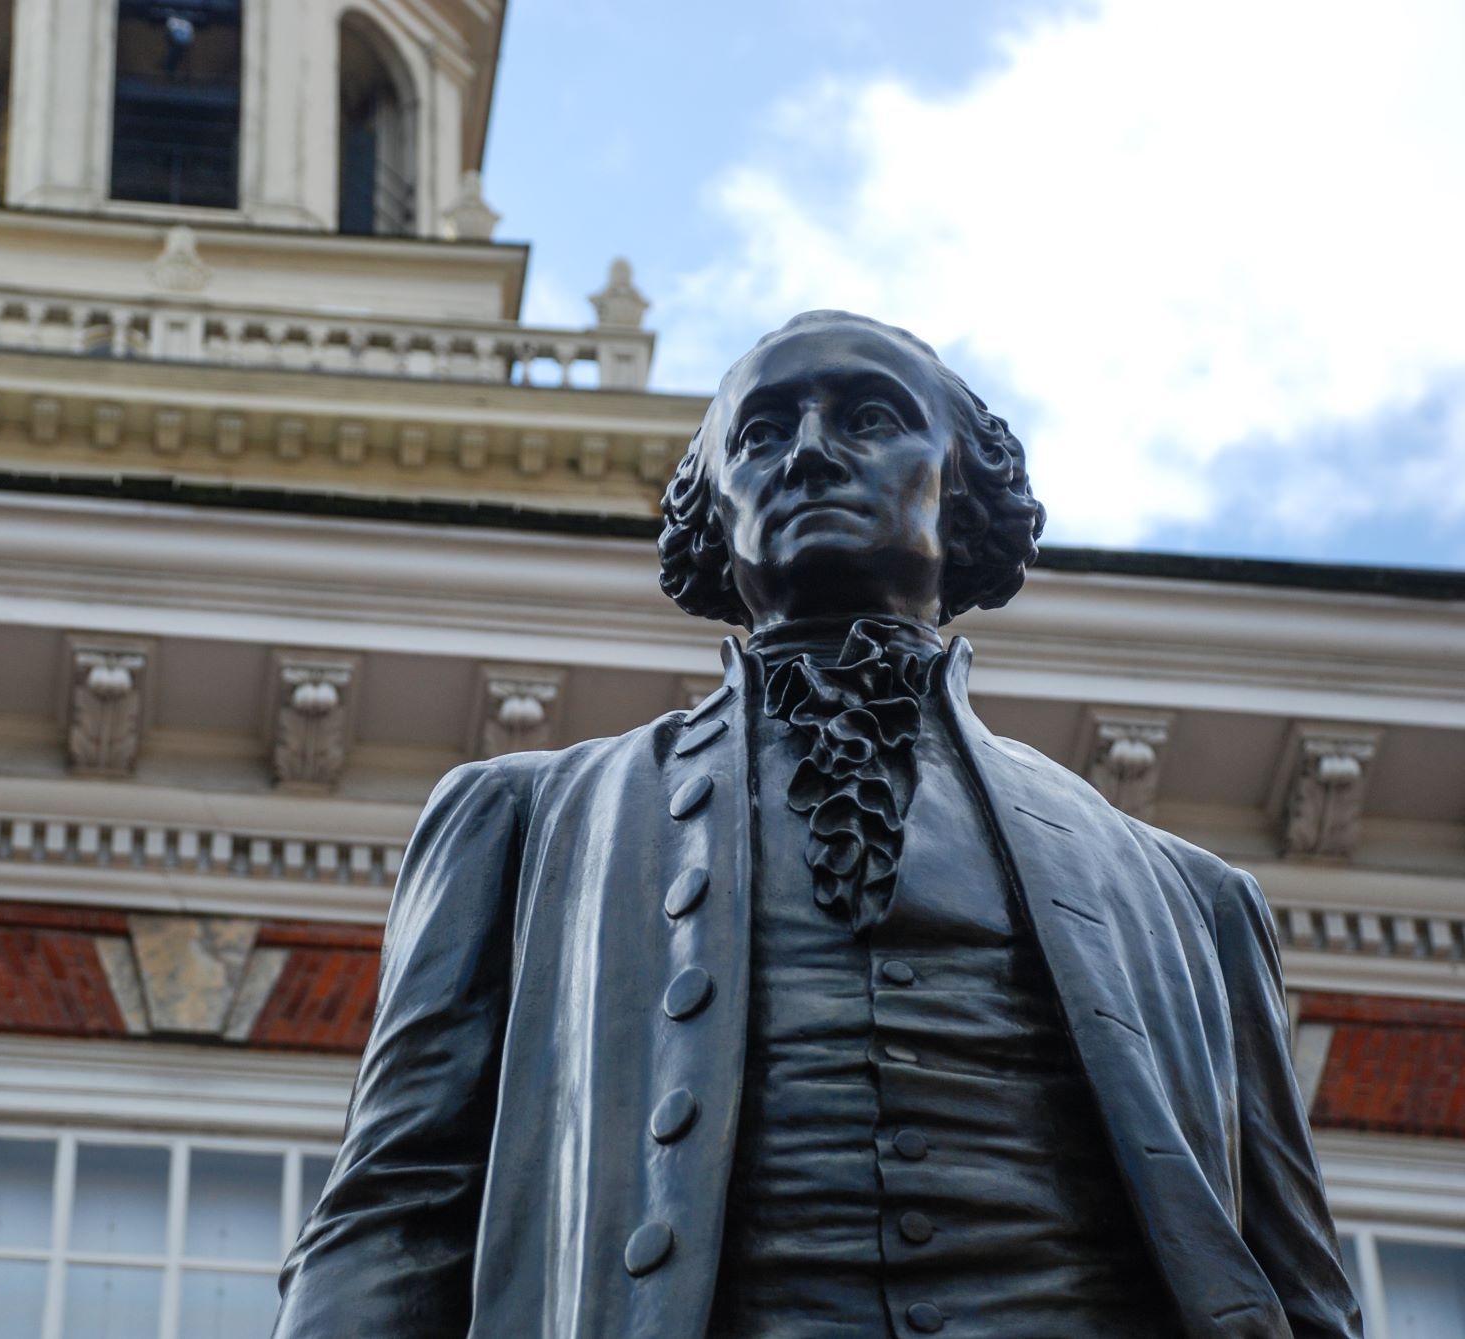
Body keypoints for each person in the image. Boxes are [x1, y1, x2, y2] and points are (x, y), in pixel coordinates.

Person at [271, 311, 1362, 1339]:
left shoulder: (1194, 905)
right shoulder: (521, 819)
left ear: (963, 487)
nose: (803, 453)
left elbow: (1300, 1292)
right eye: (758, 433)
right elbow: (392, 1208)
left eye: (868, 418)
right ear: (714, 513)